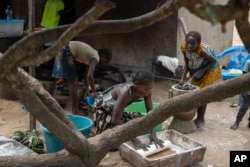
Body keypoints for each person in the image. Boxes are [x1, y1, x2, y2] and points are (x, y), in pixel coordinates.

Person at [93, 69, 164, 150]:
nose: (148, 92)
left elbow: (150, 113)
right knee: (112, 144)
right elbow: (115, 121)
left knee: (137, 121)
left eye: (150, 89)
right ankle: (96, 127)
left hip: (115, 110)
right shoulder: (125, 92)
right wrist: (134, 140)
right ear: (137, 84)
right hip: (103, 109)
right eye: (146, 89)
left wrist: (153, 133)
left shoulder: (147, 92)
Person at [52, 41, 112, 116]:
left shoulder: (91, 55)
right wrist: (94, 92)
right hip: (66, 51)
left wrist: (87, 89)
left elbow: (87, 75)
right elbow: (90, 76)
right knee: (73, 81)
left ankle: (76, 108)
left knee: (73, 80)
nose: (104, 64)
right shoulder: (96, 57)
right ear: (102, 56)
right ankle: (75, 110)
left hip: (62, 49)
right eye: (106, 61)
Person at [178, 31, 221, 128]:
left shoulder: (202, 52)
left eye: (192, 43)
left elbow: (214, 61)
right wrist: (182, 79)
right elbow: (186, 65)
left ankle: (201, 118)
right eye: (187, 42)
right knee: (194, 89)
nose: (189, 46)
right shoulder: (184, 48)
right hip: (195, 68)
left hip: (209, 70)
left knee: (202, 94)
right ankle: (194, 115)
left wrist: (201, 71)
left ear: (198, 44)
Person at [230, 60, 250, 130]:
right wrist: (244, 90)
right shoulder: (248, 63)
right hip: (248, 92)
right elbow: (244, 78)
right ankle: (237, 122)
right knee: (244, 107)